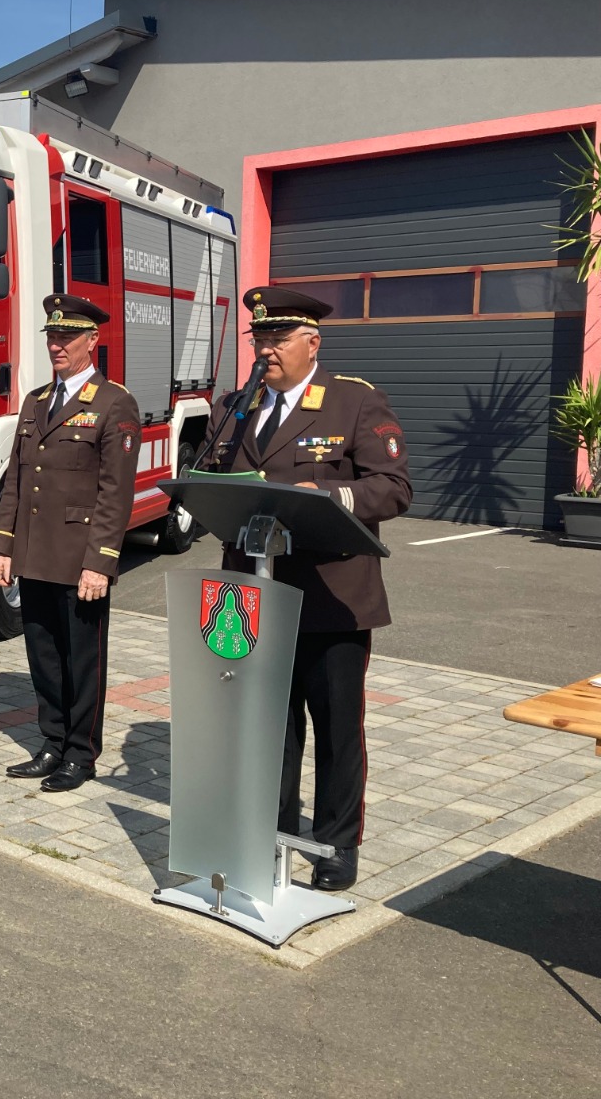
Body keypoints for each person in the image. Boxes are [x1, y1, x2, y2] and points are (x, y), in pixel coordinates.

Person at [200, 286, 412, 892]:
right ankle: (271, 830)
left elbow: (393, 487)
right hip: (252, 595)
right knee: (270, 725)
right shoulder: (236, 406)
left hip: (330, 595)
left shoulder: (353, 401)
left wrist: (327, 497)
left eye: (278, 338)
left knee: (336, 727)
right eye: (259, 338)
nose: (265, 349)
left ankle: (336, 844)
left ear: (312, 343)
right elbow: (213, 478)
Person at [0, 294, 140, 793]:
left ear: (92, 341)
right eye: (52, 336)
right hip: (35, 554)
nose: (57, 345)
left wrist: (101, 562)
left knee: (82, 661)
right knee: (44, 658)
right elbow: (16, 481)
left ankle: (80, 753)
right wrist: (3, 546)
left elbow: (115, 494)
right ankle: (52, 742)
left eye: (68, 337)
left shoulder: (114, 403)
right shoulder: (36, 402)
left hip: (79, 561)